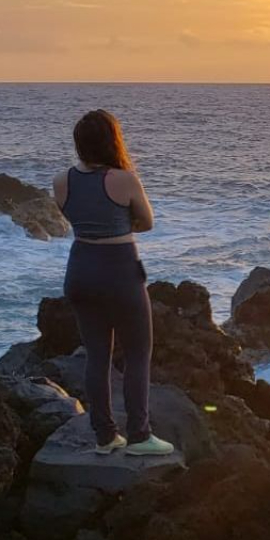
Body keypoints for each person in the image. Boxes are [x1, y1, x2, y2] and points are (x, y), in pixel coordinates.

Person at [53, 109, 174, 456]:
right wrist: (122, 225)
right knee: (137, 354)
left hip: (80, 270)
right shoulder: (125, 179)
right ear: (112, 141)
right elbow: (147, 222)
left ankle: (105, 437)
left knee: (97, 357)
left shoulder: (61, 181)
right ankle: (139, 436)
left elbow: (74, 218)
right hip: (119, 272)